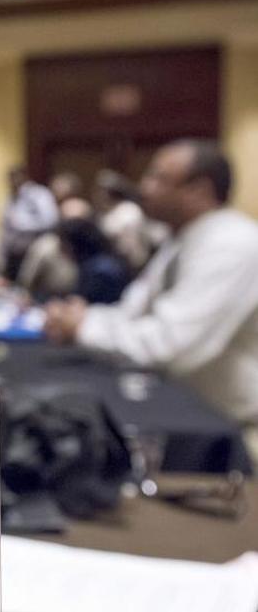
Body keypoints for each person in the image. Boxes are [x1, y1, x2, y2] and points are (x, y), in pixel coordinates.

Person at [45, 140, 258, 431]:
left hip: (239, 437)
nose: (144, 187)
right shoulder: (181, 241)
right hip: (195, 418)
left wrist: (82, 328)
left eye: (159, 178)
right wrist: (83, 318)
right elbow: (132, 313)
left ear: (200, 190)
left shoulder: (233, 244)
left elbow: (169, 346)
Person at [0, 165, 59, 281]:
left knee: (27, 288)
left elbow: (50, 220)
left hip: (33, 252)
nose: (12, 182)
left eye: (14, 178)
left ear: (24, 177)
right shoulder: (10, 198)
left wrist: (23, 225)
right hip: (13, 254)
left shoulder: (39, 195)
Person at [56, 218, 132, 304]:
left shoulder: (100, 271)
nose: (60, 249)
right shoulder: (93, 263)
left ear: (74, 244)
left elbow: (87, 304)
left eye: (63, 244)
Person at [94, 169, 158, 271]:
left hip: (131, 266)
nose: (98, 195)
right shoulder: (106, 212)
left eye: (102, 191)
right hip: (114, 263)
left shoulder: (129, 210)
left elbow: (129, 247)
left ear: (112, 193)